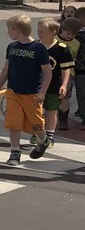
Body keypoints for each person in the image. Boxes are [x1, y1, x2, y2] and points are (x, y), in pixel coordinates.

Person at [0, 13, 52, 166]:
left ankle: (43, 140)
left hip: (32, 94)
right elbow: (6, 69)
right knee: (13, 123)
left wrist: (42, 92)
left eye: (9, 30)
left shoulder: (38, 48)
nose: (7, 33)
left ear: (17, 31)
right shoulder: (12, 47)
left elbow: (48, 72)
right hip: (13, 92)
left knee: (36, 124)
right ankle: (15, 152)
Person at [36, 17, 74, 151]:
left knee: (51, 111)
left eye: (42, 31)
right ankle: (37, 132)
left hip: (54, 86)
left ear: (53, 32)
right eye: (38, 31)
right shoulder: (35, 46)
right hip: (36, 86)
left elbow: (65, 69)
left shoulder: (61, 49)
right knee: (36, 111)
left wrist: (64, 85)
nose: (39, 34)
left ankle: (50, 135)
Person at [60, 16, 81, 129]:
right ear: (63, 29)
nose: (70, 36)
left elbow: (75, 57)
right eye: (68, 33)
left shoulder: (76, 43)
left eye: (73, 34)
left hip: (68, 73)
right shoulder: (55, 40)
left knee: (66, 96)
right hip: (54, 72)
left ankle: (63, 120)